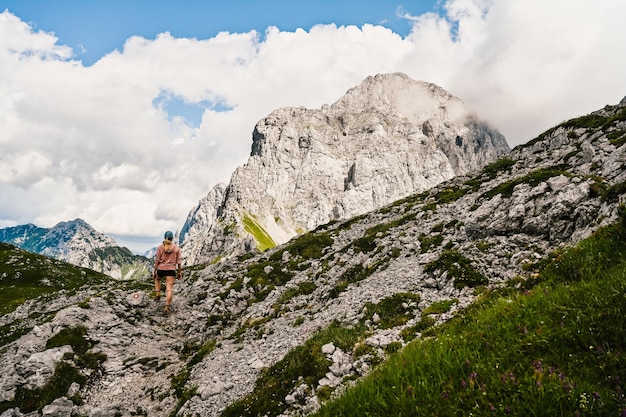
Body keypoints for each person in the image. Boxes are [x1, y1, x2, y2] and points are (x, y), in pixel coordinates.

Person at [153, 231, 182, 315]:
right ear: (172, 238)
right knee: (169, 289)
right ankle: (166, 308)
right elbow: (179, 263)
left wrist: (154, 271)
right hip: (171, 270)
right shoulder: (176, 249)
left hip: (161, 269)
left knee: (157, 279)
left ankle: (157, 294)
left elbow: (157, 261)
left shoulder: (160, 248)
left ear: (164, 238)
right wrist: (179, 273)